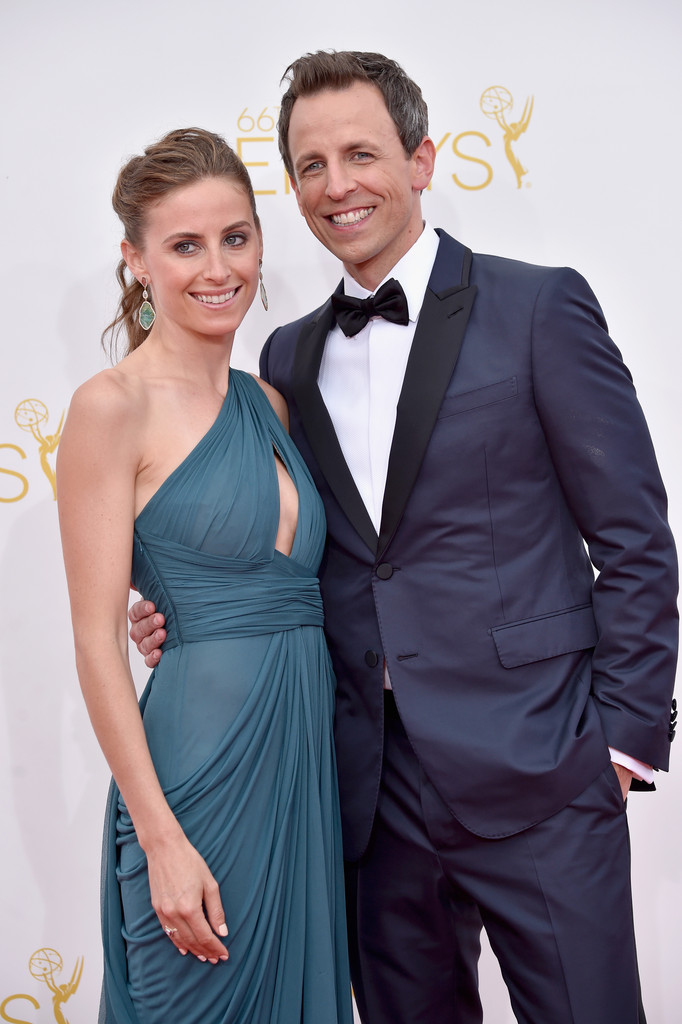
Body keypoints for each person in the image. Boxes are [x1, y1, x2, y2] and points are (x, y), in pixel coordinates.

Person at [129, 54, 679, 1024]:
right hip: (367, 791)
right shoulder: (284, 355)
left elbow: (633, 534)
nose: (336, 184)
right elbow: (299, 545)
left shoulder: (537, 307)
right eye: (309, 164)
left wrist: (620, 744)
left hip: (542, 769)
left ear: (421, 160)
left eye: (360, 153)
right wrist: (197, 611)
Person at [57, 127, 352, 1024]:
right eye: (184, 245)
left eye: (236, 237)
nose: (218, 267)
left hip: (303, 768)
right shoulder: (112, 408)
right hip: (196, 784)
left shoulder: (269, 403)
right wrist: (161, 841)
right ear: (136, 261)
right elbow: (99, 639)